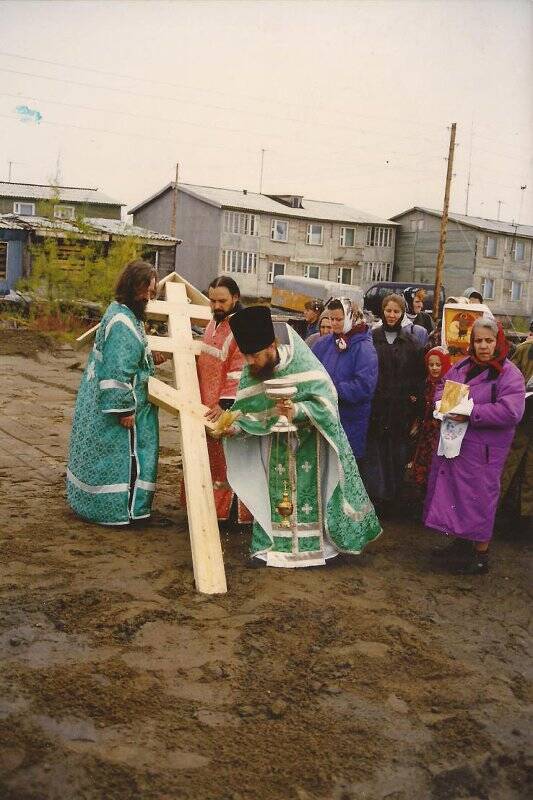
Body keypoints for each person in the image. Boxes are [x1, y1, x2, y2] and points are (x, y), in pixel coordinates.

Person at [221, 306, 381, 568]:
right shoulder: (254, 371)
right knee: (274, 496)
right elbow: (248, 411)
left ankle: (311, 551)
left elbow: (327, 402)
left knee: (308, 497)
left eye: (255, 356)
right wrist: (235, 427)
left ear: (272, 345)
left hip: (309, 445)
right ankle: (273, 549)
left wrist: (297, 410)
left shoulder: (303, 362)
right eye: (247, 357)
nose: (250, 363)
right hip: (273, 446)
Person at [424, 319, 525, 574]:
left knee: (480, 498)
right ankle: (462, 543)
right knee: (458, 496)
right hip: (458, 445)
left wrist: (471, 412)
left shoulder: (509, 373)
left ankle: (481, 554)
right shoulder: (463, 366)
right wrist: (442, 406)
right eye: (478, 341)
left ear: (498, 341)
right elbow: (442, 390)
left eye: (488, 341)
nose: (483, 346)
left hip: (484, 451)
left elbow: (511, 411)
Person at [67, 260, 161, 525]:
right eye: (146, 291)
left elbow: (131, 356)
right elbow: (119, 369)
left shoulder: (121, 312)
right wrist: (125, 409)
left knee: (102, 456)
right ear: (132, 287)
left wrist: (153, 359)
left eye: (153, 293)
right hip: (120, 406)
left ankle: (97, 504)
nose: (148, 297)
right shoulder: (123, 322)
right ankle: (126, 510)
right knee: (125, 456)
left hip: (97, 399)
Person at [190, 275, 251, 525]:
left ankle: (231, 514)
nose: (216, 306)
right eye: (212, 301)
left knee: (227, 461)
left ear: (235, 298)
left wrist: (225, 404)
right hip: (204, 403)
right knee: (207, 460)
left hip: (225, 406)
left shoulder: (241, 327)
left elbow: (240, 368)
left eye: (222, 301)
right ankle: (207, 507)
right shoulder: (211, 324)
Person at [358, 293, 424, 511]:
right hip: (376, 406)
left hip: (400, 408)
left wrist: (414, 404)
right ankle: (375, 497)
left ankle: (392, 499)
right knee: (375, 452)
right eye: (388, 310)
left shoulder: (411, 342)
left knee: (396, 453)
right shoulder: (371, 337)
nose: (392, 315)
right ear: (382, 311)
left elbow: (417, 377)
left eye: (396, 311)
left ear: (402, 313)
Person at [312, 298, 378, 460]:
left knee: (344, 467)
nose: (334, 324)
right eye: (331, 319)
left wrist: (331, 389)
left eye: (339, 319)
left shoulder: (364, 348)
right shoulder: (323, 344)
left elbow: (364, 386)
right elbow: (311, 370)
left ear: (351, 317)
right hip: (324, 416)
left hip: (349, 420)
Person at [498, 339, 532, 532]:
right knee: (507, 468)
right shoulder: (523, 350)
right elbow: (506, 380)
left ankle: (526, 520)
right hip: (520, 421)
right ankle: (497, 513)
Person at [408, 347, 452, 490]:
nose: (434, 368)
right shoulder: (425, 383)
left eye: (438, 365)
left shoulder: (450, 386)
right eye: (431, 364)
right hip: (424, 433)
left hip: (440, 434)